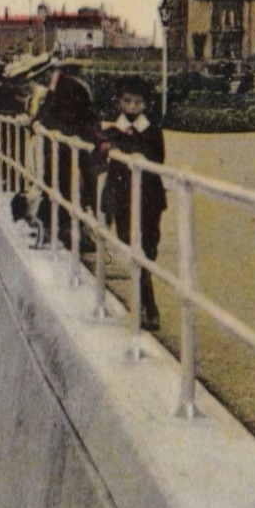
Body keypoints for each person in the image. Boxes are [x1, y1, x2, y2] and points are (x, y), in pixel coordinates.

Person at [97, 78, 167, 331]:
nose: (132, 106)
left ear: (145, 105)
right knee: (129, 243)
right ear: (119, 102)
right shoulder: (113, 129)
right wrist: (106, 145)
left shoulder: (152, 130)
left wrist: (125, 146)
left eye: (138, 102)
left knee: (148, 249)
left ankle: (149, 307)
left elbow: (157, 157)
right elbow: (100, 153)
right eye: (127, 101)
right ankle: (148, 306)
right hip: (123, 199)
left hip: (149, 198)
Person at [32, 60, 97, 249]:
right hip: (67, 142)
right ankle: (65, 228)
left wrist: (38, 123)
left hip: (64, 142)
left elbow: (52, 111)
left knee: (60, 182)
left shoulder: (63, 86)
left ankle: (55, 227)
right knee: (67, 183)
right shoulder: (68, 86)